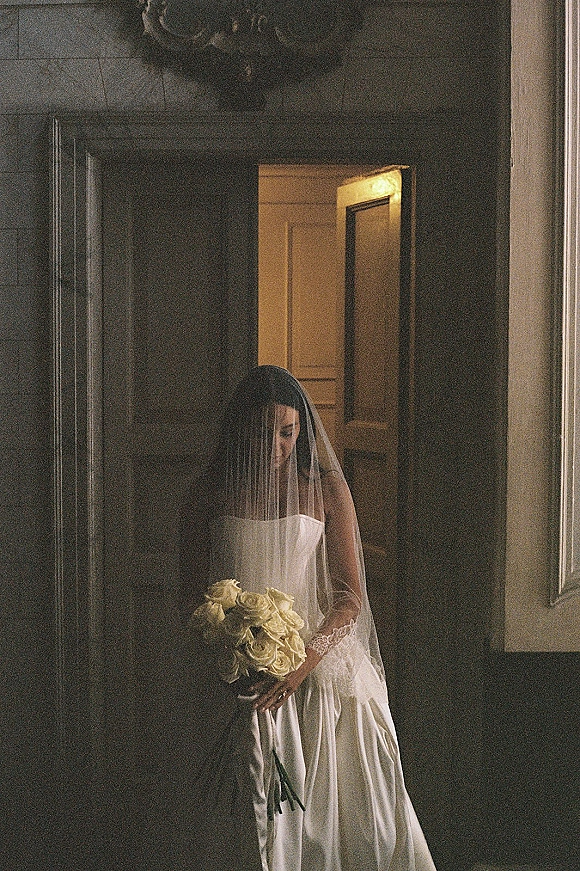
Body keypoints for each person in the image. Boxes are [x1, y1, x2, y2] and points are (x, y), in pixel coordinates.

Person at [177, 365, 436, 871]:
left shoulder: (326, 492)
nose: (275, 446)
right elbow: (188, 596)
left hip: (314, 666)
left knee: (336, 818)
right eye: (260, 433)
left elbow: (349, 600)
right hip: (230, 671)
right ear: (237, 431)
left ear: (302, 431)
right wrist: (230, 648)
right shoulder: (207, 494)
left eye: (287, 432)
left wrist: (299, 669)